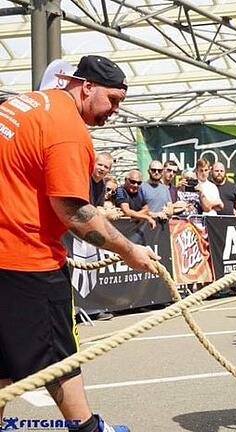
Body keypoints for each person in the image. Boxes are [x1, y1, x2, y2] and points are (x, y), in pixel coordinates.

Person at [0, 54, 159, 432]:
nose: (115, 112)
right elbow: (73, 211)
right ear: (86, 87)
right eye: (113, 100)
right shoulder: (67, 128)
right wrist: (130, 250)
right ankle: (86, 428)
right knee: (59, 353)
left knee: (4, 355)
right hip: (26, 256)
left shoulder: (22, 104)